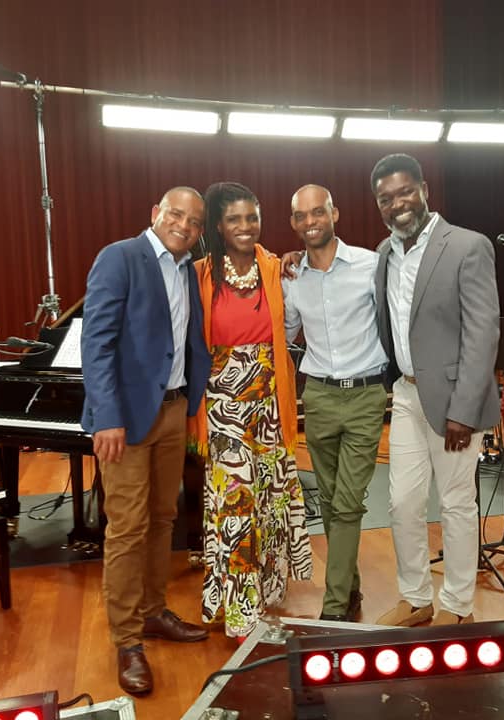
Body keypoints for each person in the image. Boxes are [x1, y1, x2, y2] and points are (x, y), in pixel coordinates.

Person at [81, 187, 213, 696]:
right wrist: (107, 416)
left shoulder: (187, 270)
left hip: (174, 410)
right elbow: (97, 342)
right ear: (156, 213)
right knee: (128, 527)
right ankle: (127, 640)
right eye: (176, 215)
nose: (184, 226)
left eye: (194, 222)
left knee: (162, 519)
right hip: (127, 419)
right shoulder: (120, 258)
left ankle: (154, 611)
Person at [370, 154, 500, 627]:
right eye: (386, 198)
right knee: (402, 502)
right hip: (405, 396)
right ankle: (416, 598)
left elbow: (483, 333)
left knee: (455, 503)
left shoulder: (467, 245)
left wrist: (464, 409)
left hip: (454, 403)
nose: (397, 203)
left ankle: (458, 607)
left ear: (424, 189)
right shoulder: (384, 253)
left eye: (405, 191)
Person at [188, 181, 312, 639]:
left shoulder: (276, 268)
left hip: (271, 405)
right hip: (223, 409)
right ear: (219, 226)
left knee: (268, 503)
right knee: (236, 506)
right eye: (234, 219)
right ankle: (241, 614)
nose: (245, 226)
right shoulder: (199, 275)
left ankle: (266, 591)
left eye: (252, 217)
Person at [282, 184, 387, 622]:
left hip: (365, 396)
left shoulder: (370, 265)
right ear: (294, 223)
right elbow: (285, 333)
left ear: (334, 213)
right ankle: (352, 590)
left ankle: (334, 608)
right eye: (302, 215)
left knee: (347, 502)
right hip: (320, 397)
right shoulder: (291, 278)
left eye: (318, 212)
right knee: (328, 500)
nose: (311, 221)